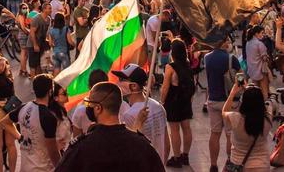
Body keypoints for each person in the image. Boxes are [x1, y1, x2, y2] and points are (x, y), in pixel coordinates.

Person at [55, 81, 166, 172]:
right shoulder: (142, 145)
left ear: (98, 108)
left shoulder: (80, 148)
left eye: (89, 104)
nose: (87, 107)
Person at [114, 63, 168, 163]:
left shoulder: (129, 115)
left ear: (134, 86)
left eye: (122, 80)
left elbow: (129, 148)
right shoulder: (158, 107)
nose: (118, 83)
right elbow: (166, 144)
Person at [204, 36, 240, 172]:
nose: (229, 43)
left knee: (215, 133)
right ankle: (230, 162)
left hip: (213, 100)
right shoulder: (231, 58)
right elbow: (241, 78)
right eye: (228, 41)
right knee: (230, 134)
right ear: (223, 43)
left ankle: (213, 165)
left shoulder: (207, 58)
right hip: (229, 101)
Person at [222, 82, 271, 172]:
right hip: (262, 165)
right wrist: (253, 92)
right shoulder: (268, 119)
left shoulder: (236, 118)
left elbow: (224, 111)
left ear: (243, 102)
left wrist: (233, 92)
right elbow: (267, 103)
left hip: (237, 164)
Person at [161, 38, 194, 167]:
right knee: (186, 128)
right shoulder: (188, 65)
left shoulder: (170, 67)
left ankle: (176, 157)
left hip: (173, 100)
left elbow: (165, 87)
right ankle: (186, 155)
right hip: (185, 100)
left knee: (174, 130)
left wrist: (162, 101)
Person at [17, 74, 60, 172]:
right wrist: (62, 167)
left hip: (24, 168)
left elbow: (5, 122)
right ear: (50, 91)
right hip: (42, 168)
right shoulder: (48, 117)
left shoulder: (23, 107)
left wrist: (20, 137)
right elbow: (53, 152)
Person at [244, 26, 270, 98]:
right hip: (261, 70)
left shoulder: (248, 43)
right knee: (265, 91)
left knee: (256, 92)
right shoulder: (259, 44)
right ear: (256, 33)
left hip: (252, 70)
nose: (263, 35)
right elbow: (264, 58)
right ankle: (266, 103)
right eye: (262, 33)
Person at [28, 3, 52, 77]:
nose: (51, 10)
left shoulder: (48, 19)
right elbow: (32, 32)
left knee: (39, 64)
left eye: (51, 8)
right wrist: (35, 45)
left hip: (41, 44)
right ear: (44, 9)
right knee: (33, 66)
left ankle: (39, 80)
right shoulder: (37, 19)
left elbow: (46, 33)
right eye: (49, 8)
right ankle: (33, 81)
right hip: (32, 45)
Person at [50, 83, 73, 152]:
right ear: (55, 98)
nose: (67, 95)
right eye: (64, 93)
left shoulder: (62, 111)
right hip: (60, 152)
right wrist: (55, 146)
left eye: (66, 92)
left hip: (66, 150)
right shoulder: (53, 115)